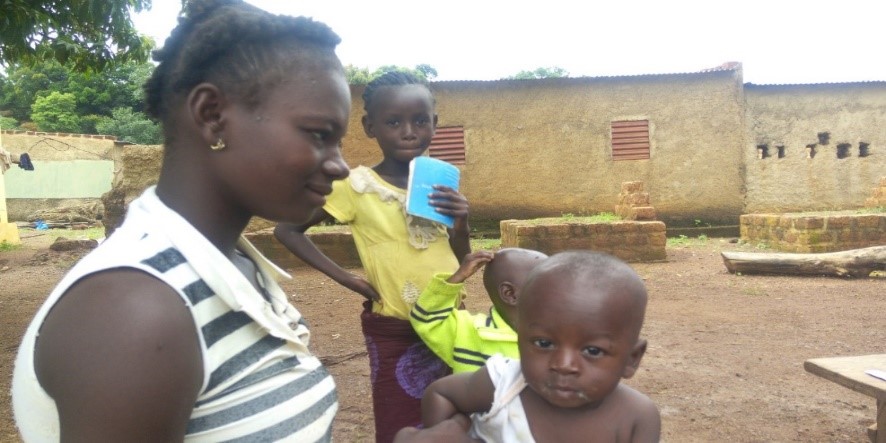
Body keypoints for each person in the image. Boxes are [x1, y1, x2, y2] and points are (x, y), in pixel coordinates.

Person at [11, 2, 469, 441]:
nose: (340, 166)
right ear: (213, 116)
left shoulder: (231, 270)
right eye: (318, 135)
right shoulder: (135, 312)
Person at [274, 70, 471, 442]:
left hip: (451, 321)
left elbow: (461, 259)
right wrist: (350, 280)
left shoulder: (439, 185)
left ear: (435, 124)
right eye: (394, 122)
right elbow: (287, 230)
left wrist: (462, 222)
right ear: (370, 127)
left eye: (420, 121)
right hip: (397, 325)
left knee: (454, 417)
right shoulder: (357, 186)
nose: (409, 131)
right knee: (401, 415)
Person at [421, 250, 662, 443]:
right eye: (544, 343)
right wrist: (448, 430)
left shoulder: (636, 418)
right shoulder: (502, 384)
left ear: (632, 359)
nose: (563, 365)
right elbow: (441, 394)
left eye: (592, 351)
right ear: (520, 338)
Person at [410, 248, 548, 373]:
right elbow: (427, 318)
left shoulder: (560, 335)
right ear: (510, 293)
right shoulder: (468, 332)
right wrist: (457, 277)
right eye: (547, 282)